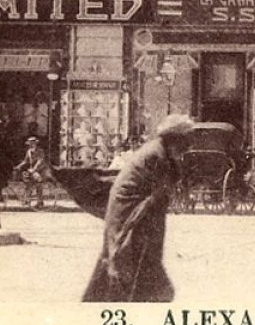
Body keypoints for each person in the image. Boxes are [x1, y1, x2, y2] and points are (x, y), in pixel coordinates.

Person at [83, 114, 196, 302]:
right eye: (186, 139)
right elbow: (160, 190)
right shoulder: (157, 154)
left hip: (136, 209)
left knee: (132, 261)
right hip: (129, 210)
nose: (189, 144)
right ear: (174, 138)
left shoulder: (161, 151)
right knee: (128, 260)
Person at [13, 135, 51, 210]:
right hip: (32, 170)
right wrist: (18, 166)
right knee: (27, 180)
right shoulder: (29, 151)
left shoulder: (40, 151)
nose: (31, 144)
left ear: (35, 143)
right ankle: (27, 199)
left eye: (32, 143)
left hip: (41, 170)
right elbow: (25, 161)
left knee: (38, 183)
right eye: (30, 143)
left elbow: (40, 161)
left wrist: (34, 169)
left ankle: (40, 201)